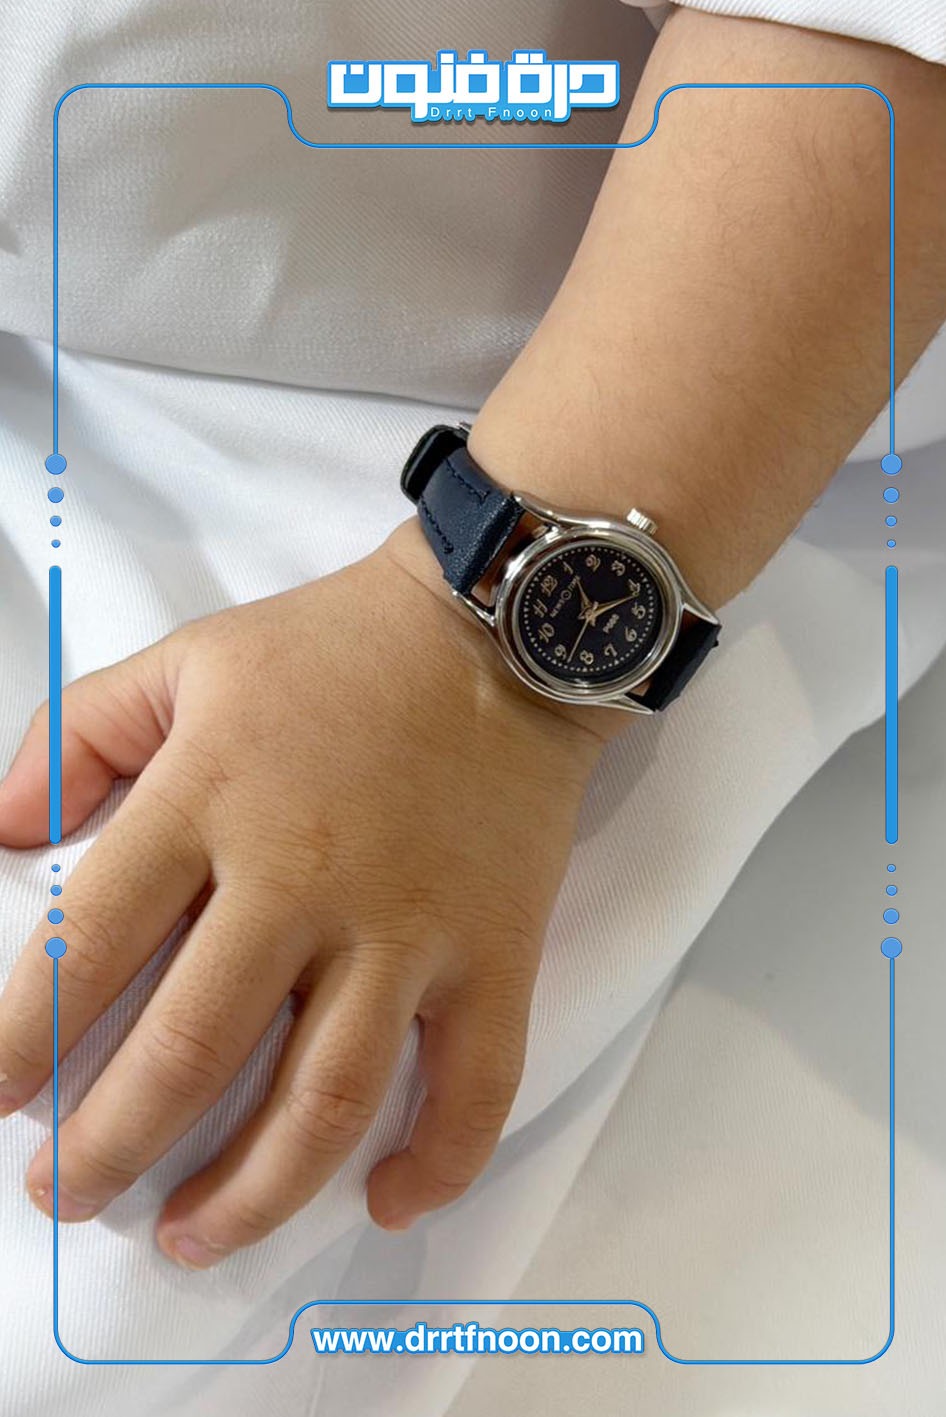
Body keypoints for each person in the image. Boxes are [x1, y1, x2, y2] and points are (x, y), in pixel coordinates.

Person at [0, 2, 943, 1414]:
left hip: (608, 416)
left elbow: (859, 51)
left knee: (146, 1129)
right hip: (59, 347)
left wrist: (466, 669)